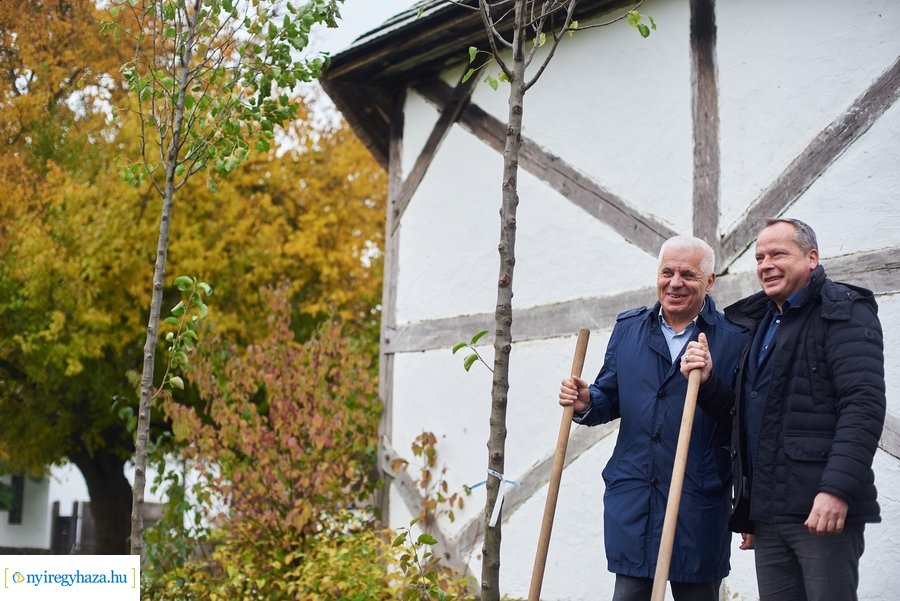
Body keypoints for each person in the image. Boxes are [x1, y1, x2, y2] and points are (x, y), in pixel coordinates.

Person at [681, 218, 886, 601]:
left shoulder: (843, 310)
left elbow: (863, 406)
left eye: (778, 253)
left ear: (812, 258)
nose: (766, 264)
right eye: (759, 257)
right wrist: (708, 382)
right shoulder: (757, 321)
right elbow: (747, 415)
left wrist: (835, 490)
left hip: (822, 511)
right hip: (769, 516)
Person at [559, 235, 748, 601]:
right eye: (667, 272)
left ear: (709, 282)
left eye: (688, 275)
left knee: (697, 593)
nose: (675, 283)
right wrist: (586, 401)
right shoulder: (630, 329)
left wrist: (710, 382)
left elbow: (741, 422)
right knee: (630, 592)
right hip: (634, 498)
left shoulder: (734, 340)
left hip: (697, 500)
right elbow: (609, 397)